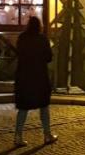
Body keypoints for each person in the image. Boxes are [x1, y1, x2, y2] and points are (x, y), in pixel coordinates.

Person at [12, 16, 57, 147]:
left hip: (24, 76)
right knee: (44, 106)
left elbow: (18, 53)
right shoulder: (42, 39)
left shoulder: (22, 38)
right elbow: (48, 57)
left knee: (23, 107)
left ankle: (18, 136)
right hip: (39, 76)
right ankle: (47, 134)